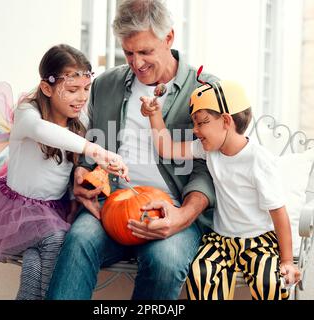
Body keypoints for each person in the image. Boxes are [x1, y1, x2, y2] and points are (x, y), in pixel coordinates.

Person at [47, 0, 217, 300]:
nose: (136, 63)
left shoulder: (203, 89)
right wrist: (82, 174)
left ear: (169, 39)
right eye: (128, 53)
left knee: (165, 262)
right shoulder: (106, 84)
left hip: (173, 208)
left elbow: (210, 167)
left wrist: (183, 216)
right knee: (79, 240)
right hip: (113, 202)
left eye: (145, 52)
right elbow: (92, 148)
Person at [0, 44, 128, 300]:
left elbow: (73, 168)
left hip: (53, 210)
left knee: (35, 262)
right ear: (47, 88)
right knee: (55, 241)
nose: (82, 98)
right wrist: (97, 151)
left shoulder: (79, 123)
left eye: (85, 89)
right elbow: (42, 132)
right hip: (16, 214)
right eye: (72, 90)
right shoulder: (28, 114)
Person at [140, 77, 301, 300]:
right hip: (221, 240)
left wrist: (286, 260)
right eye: (194, 123)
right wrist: (154, 115)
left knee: (269, 282)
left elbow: (279, 212)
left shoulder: (258, 160)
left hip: (258, 240)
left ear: (226, 121)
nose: (195, 130)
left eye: (201, 122)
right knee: (201, 272)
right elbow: (166, 149)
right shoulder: (209, 150)